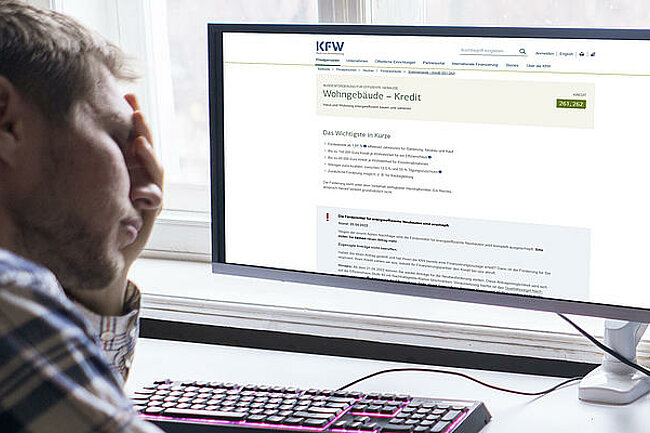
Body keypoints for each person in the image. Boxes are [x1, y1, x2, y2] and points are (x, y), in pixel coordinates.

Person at [0, 1, 164, 431]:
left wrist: (111, 267)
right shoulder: (7, 299)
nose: (146, 190)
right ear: (6, 122)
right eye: (118, 138)